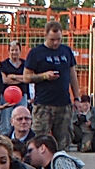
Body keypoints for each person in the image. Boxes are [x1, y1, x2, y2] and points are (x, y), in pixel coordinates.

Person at [24, 21, 79, 151]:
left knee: (64, 143)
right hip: (44, 105)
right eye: (52, 40)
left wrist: (76, 98)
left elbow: (72, 75)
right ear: (45, 35)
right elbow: (26, 77)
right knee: (39, 142)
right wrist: (44, 76)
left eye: (59, 39)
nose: (56, 43)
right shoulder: (36, 53)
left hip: (64, 105)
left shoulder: (66, 51)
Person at [0, 40, 29, 135]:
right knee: (6, 119)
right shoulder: (3, 64)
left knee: (22, 116)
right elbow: (5, 80)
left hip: (22, 95)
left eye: (16, 50)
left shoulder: (25, 64)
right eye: (12, 50)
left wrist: (13, 76)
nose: (14, 52)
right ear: (8, 51)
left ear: (20, 51)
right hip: (7, 97)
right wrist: (21, 78)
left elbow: (27, 78)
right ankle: (5, 137)